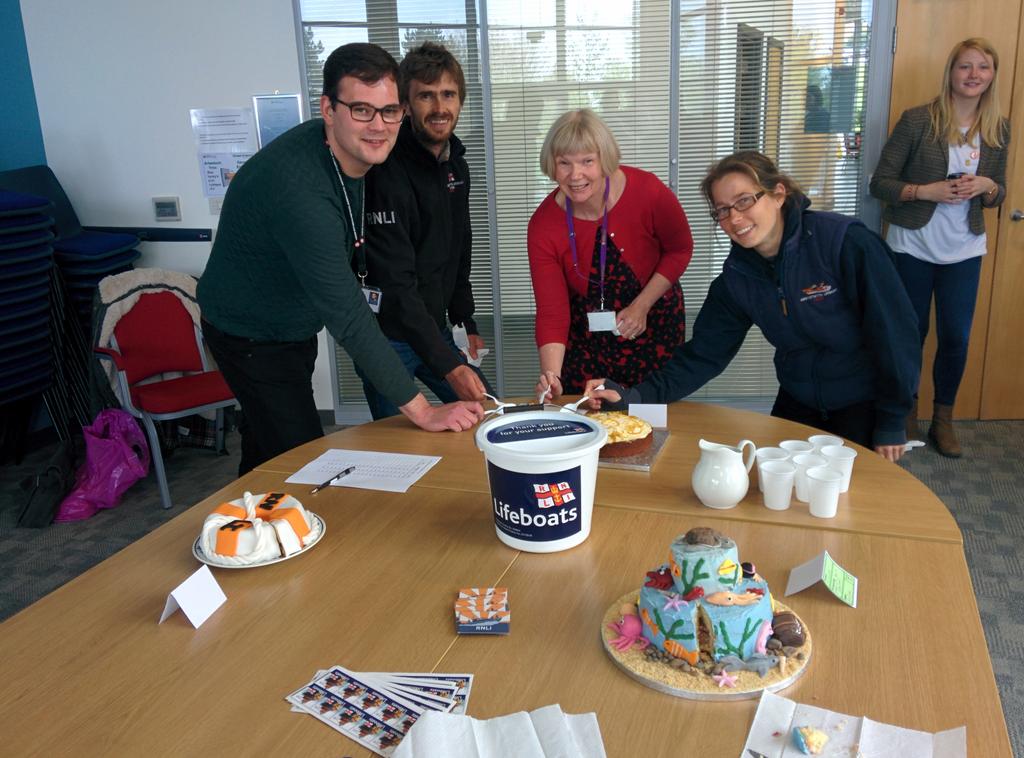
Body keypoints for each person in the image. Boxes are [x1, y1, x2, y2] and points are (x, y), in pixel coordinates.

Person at [197, 43, 483, 476]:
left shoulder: (356, 158)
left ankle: (244, 520)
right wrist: (423, 411)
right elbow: (348, 315)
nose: (379, 126)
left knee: (267, 446)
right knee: (303, 459)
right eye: (361, 110)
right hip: (250, 333)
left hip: (293, 322)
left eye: (389, 111)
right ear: (328, 109)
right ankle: (276, 530)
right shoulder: (301, 192)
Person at [585, 151, 921, 462]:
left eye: (744, 201)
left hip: (863, 401)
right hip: (798, 399)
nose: (734, 217)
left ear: (778, 194)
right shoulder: (737, 278)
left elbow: (895, 333)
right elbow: (703, 354)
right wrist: (635, 396)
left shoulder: (845, 243)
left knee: (857, 504)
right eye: (722, 210)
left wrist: (893, 418)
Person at [870, 37, 1009, 458]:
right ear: (950, 72)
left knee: (956, 338)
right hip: (912, 245)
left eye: (982, 67)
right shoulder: (917, 121)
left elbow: (998, 194)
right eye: (965, 66)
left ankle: (943, 419)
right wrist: (923, 190)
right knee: (909, 333)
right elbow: (880, 184)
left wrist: (989, 186)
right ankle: (905, 412)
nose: (973, 75)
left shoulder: (998, 128)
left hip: (965, 248)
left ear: (991, 76)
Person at [358, 41, 493, 419]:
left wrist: (465, 320)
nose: (439, 108)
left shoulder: (455, 166)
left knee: (485, 414)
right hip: (387, 340)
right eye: (426, 96)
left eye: (448, 94)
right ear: (404, 105)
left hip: (434, 329)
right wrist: (450, 366)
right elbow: (395, 284)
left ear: (460, 101)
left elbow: (459, 248)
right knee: (397, 444)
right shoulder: (383, 169)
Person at [528, 109, 693, 402]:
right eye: (564, 163)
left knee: (651, 416)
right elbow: (552, 311)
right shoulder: (543, 225)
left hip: (652, 321)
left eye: (587, 161)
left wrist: (642, 305)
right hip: (588, 340)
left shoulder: (648, 190)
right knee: (594, 416)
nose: (575, 175)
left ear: (604, 158)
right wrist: (551, 376)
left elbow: (680, 249)